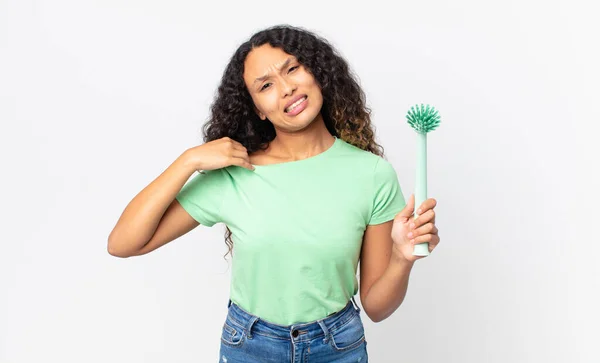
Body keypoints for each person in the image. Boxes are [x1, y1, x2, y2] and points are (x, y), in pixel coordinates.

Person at [108, 24, 440, 362]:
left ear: (317, 71)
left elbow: (377, 306)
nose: (286, 89)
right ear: (257, 109)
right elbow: (123, 243)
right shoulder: (234, 174)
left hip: (337, 348)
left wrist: (401, 259)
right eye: (266, 85)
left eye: (292, 69)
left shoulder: (371, 174)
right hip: (251, 347)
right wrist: (188, 161)